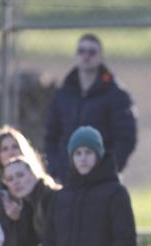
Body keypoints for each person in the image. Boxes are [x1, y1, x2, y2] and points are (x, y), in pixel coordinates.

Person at [42, 126, 137, 246]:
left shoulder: (115, 193)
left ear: (98, 155)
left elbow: (126, 241)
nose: (83, 158)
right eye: (78, 153)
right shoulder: (60, 197)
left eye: (88, 152)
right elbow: (49, 243)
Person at [44, 33, 137, 184]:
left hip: (102, 181)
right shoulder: (64, 93)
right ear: (76, 55)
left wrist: (108, 170)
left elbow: (125, 139)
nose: (86, 56)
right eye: (81, 51)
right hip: (66, 178)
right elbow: (51, 137)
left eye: (92, 52)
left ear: (101, 57)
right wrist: (55, 170)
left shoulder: (116, 95)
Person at [0, 156, 60, 246]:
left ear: (33, 174)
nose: (16, 182)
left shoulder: (53, 198)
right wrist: (14, 221)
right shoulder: (23, 207)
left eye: (20, 175)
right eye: (10, 179)